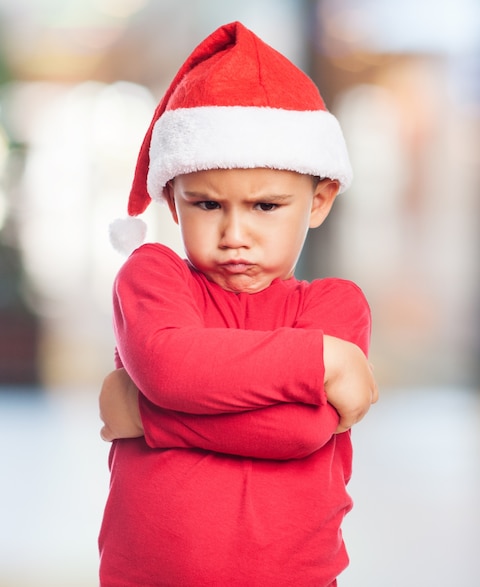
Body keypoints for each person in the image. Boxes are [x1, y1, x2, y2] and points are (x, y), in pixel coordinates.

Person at [97, 21, 378, 587]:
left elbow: (296, 433)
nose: (234, 235)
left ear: (319, 201)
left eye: (266, 207)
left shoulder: (334, 307)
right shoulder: (152, 276)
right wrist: (317, 361)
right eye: (206, 204)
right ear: (173, 203)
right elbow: (171, 367)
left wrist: (147, 414)